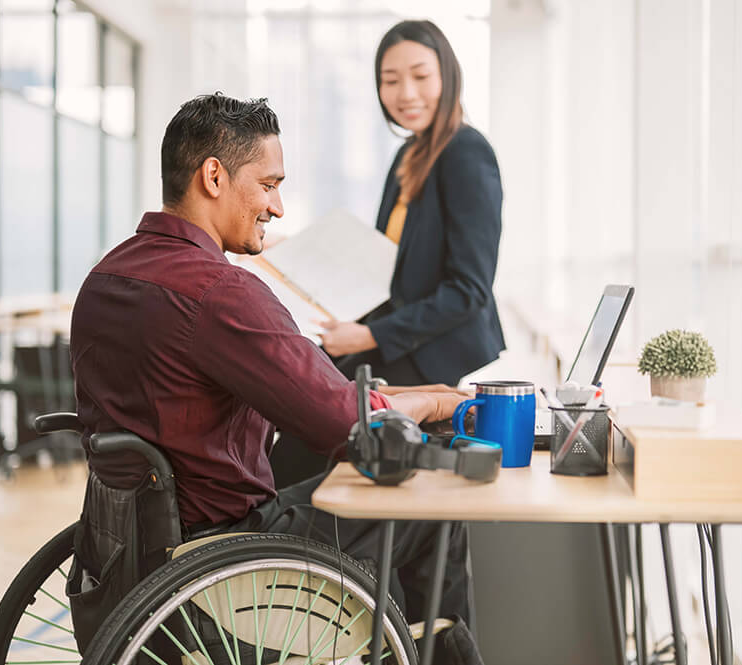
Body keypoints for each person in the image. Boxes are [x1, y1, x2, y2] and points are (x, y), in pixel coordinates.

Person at [69, 93, 480, 651]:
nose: (278, 207)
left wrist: (414, 394)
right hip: (231, 550)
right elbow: (346, 426)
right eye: (268, 185)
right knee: (431, 503)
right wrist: (437, 405)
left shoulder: (107, 275)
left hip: (127, 547)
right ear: (213, 176)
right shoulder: (221, 292)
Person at [319, 19, 505, 388]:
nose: (406, 93)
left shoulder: (466, 152)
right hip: (398, 337)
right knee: (301, 384)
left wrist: (369, 336)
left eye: (420, 76)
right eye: (391, 80)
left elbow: (469, 290)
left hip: (435, 349)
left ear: (447, 77)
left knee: (314, 422)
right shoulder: (410, 153)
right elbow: (388, 265)